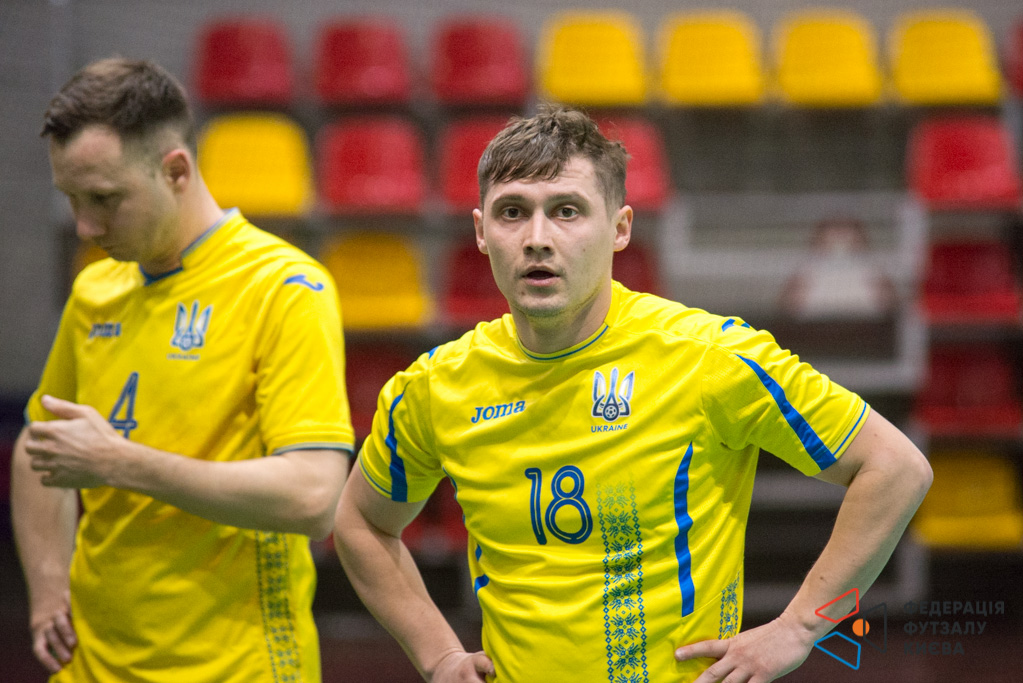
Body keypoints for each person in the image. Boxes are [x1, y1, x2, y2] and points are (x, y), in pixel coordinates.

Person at [333, 105, 932, 682]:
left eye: (566, 211)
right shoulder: (435, 386)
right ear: (481, 232)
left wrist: (800, 628)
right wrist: (438, 656)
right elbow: (361, 521)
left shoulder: (710, 357)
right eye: (512, 212)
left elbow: (895, 468)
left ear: (620, 228)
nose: (537, 238)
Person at [12, 58, 354, 683]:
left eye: (104, 199)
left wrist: (118, 462)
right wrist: (47, 589)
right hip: (91, 665)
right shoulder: (95, 289)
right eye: (72, 199)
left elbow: (313, 496)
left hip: (237, 668)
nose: (85, 225)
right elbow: (39, 449)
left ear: (176, 171)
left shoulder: (283, 287)